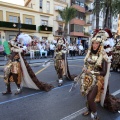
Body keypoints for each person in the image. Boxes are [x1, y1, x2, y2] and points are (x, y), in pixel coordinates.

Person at [74, 29, 120, 120]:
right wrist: (85, 69)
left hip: (98, 79)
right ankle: (89, 109)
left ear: (100, 45)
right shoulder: (90, 54)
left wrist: (91, 72)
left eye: (97, 43)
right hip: (87, 77)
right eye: (93, 43)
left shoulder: (103, 56)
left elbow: (104, 72)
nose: (94, 45)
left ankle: (94, 114)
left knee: (91, 98)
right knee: (87, 95)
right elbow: (86, 65)